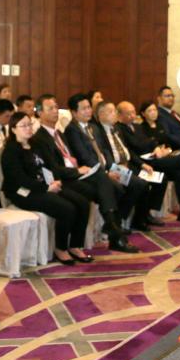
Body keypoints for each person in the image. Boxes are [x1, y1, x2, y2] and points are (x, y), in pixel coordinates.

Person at [32, 95, 137, 253]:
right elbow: (52, 169)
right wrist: (77, 171)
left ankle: (113, 229)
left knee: (114, 186)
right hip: (64, 179)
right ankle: (114, 232)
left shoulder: (59, 133)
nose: (55, 111)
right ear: (40, 113)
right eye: (50, 108)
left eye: (56, 107)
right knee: (106, 183)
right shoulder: (40, 138)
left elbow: (98, 152)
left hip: (78, 174)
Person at [0, 112, 91, 265]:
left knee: (82, 202)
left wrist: (55, 181)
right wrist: (46, 188)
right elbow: (20, 180)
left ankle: (75, 245)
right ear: (13, 129)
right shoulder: (10, 151)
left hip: (47, 185)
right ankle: (61, 248)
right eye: (23, 126)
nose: (28, 128)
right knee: (66, 208)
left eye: (30, 124)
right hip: (22, 191)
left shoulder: (37, 144)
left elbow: (50, 165)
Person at [116, 101, 180, 223]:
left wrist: (156, 148)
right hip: (141, 163)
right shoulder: (120, 129)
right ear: (120, 115)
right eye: (128, 113)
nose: (132, 115)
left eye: (133, 112)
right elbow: (131, 150)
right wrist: (143, 162)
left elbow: (150, 142)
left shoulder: (137, 126)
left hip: (152, 157)